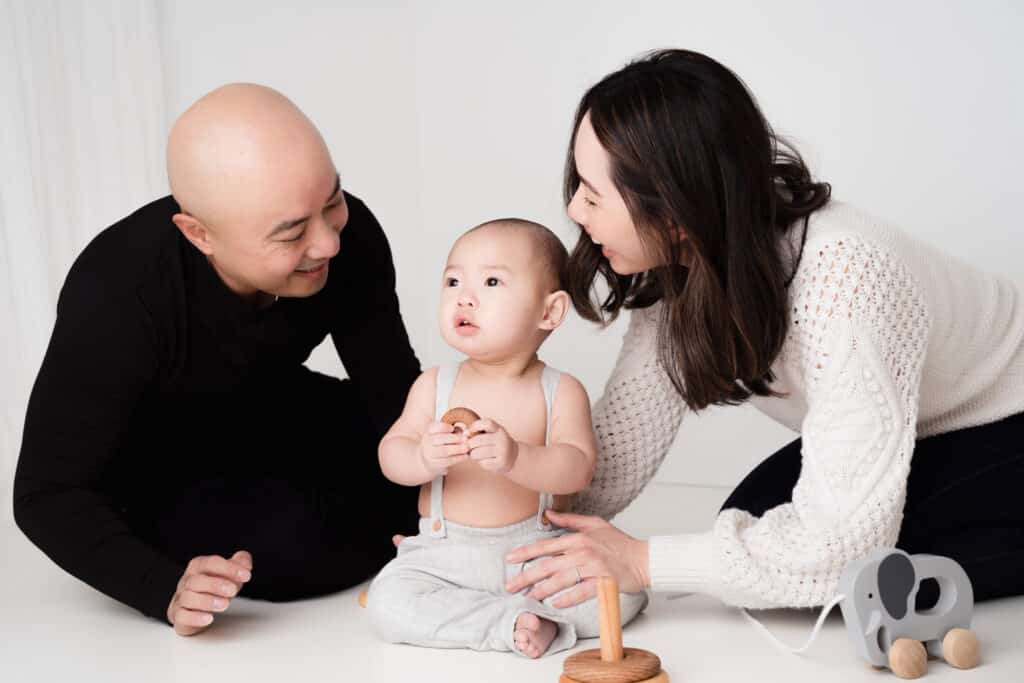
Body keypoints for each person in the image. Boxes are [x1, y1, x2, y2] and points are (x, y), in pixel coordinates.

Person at [503, 49, 1024, 610]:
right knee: (751, 524)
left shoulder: (847, 273)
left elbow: (839, 545)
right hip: (918, 424)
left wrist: (640, 561)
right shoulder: (684, 261)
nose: (576, 210)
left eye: (593, 192)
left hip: (1006, 422)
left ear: (676, 209)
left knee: (841, 574)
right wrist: (490, 530)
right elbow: (619, 451)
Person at [13, 84, 421, 636]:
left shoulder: (351, 239)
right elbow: (46, 493)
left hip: (264, 402)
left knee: (439, 438)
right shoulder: (117, 290)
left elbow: (393, 394)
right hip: (154, 460)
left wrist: (454, 496)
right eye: (293, 232)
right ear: (199, 233)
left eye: (332, 203)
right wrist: (162, 586)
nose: (327, 243)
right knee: (292, 548)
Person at [366, 219, 647, 658]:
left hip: (534, 554)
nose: (465, 296)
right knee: (387, 605)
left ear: (549, 312)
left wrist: (518, 457)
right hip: (446, 554)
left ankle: (518, 615)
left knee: (624, 594)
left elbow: (577, 469)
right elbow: (390, 455)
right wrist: (423, 457)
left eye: (492, 281)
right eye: (453, 280)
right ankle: (507, 622)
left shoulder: (559, 390)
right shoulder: (434, 385)